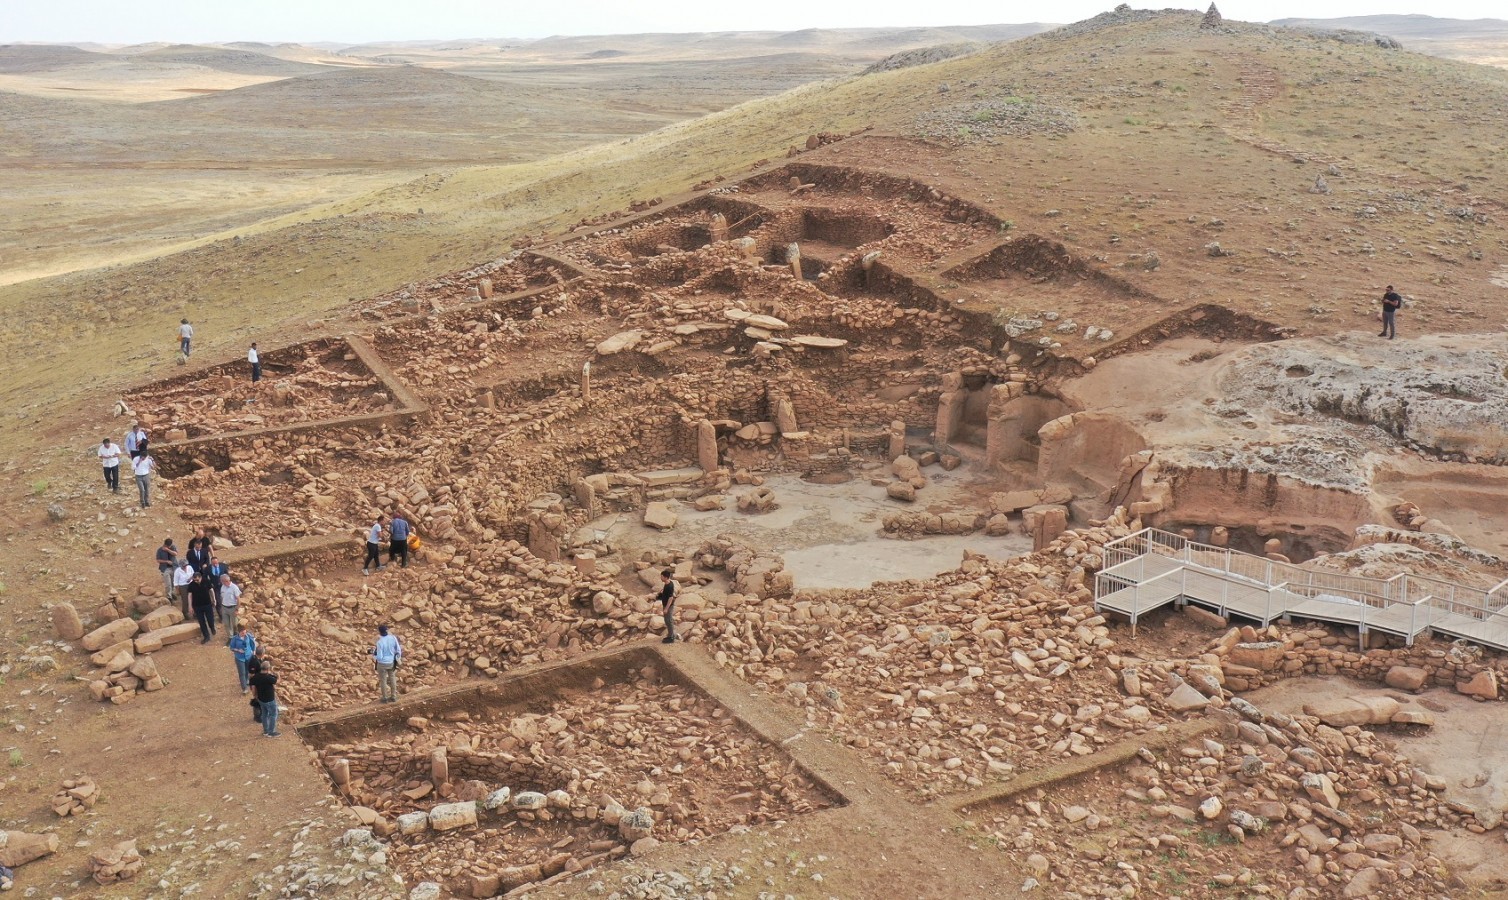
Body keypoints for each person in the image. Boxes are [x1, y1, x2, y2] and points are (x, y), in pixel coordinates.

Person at [249, 657, 280, 737]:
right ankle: (271, 732)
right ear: (268, 668)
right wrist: (278, 675)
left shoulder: (255, 677)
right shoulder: (268, 678)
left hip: (261, 699)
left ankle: (265, 731)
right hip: (269, 700)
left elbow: (253, 688)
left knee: (264, 714)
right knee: (273, 714)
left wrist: (255, 696)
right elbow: (277, 681)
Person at [372, 625, 402, 703]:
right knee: (392, 678)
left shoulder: (379, 642)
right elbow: (398, 649)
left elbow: (380, 657)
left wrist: (374, 655)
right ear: (387, 630)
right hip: (391, 662)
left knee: (383, 680)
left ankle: (385, 698)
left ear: (379, 632)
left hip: (382, 664)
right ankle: (393, 696)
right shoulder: (393, 638)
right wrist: (397, 657)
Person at [189, 571, 217, 643]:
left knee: (210, 619)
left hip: (207, 604)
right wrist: (190, 606)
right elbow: (190, 595)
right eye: (194, 580)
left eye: (197, 580)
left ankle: (212, 627)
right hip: (197, 606)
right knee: (201, 622)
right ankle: (206, 636)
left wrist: (214, 600)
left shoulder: (206, 581)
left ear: (200, 577)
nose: (196, 581)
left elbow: (211, 590)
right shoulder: (191, 585)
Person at [229, 624, 257, 694]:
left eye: (245, 632)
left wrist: (253, 652)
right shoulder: (234, 639)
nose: (244, 634)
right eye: (243, 633)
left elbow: (252, 644)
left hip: (248, 656)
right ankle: (244, 688)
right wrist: (238, 650)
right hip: (239, 658)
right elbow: (231, 648)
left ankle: (246, 680)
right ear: (239, 632)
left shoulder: (248, 636)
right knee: (242, 673)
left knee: (247, 670)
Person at [655, 568, 679, 644]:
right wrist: (661, 592)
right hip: (666, 605)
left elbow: (671, 598)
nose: (660, 578)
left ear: (665, 577)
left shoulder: (669, 586)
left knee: (669, 621)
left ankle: (671, 637)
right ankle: (670, 634)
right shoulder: (668, 583)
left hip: (668, 606)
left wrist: (666, 608)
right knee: (667, 620)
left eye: (661, 576)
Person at [218, 572, 242, 640]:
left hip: (233, 608)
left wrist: (237, 609)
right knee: (226, 624)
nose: (221, 582)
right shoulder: (222, 587)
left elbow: (238, 599)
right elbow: (222, 597)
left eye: (222, 581)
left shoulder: (234, 587)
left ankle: (236, 633)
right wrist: (221, 607)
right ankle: (230, 637)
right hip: (224, 608)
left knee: (234, 624)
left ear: (224, 581)